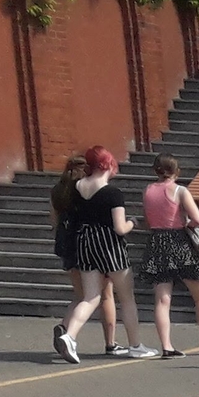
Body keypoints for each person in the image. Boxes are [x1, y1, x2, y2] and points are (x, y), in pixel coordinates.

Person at [54, 147, 153, 363]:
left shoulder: (77, 187)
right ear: (108, 164)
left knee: (90, 297)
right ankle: (135, 345)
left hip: (85, 242)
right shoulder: (113, 193)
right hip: (109, 245)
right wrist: (133, 223)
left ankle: (69, 336)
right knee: (126, 297)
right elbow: (119, 228)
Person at [141, 154, 199, 357]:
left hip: (157, 242)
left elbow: (147, 220)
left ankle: (167, 346)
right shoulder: (180, 191)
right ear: (176, 171)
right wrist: (186, 224)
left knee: (162, 300)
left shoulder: (148, 191)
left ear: (155, 170)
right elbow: (198, 219)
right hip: (180, 242)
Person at [48, 158, 120, 354]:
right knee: (105, 295)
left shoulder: (59, 190)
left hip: (67, 246)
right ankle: (110, 343)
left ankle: (64, 327)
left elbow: (54, 221)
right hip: (91, 245)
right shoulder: (86, 190)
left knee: (82, 295)